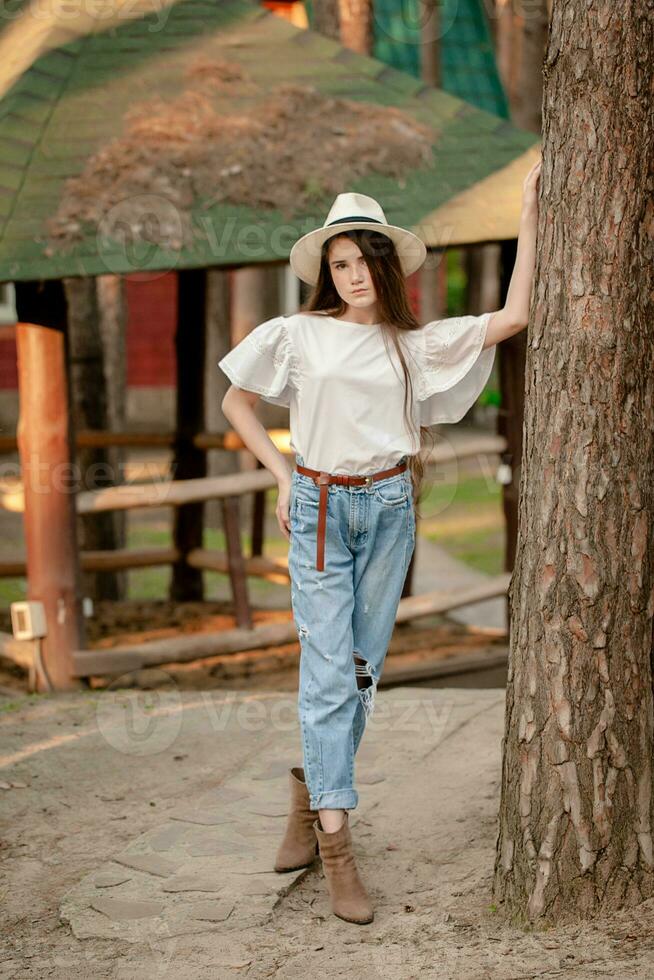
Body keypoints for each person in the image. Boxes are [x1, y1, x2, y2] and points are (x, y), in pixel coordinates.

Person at [218, 168, 540, 924]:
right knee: (329, 673)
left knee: (359, 673)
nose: (354, 275)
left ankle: (309, 791)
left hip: (391, 508)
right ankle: (339, 849)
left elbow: (515, 314)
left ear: (386, 267)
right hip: (321, 508)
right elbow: (234, 398)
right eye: (341, 264)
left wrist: (530, 210)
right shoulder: (297, 336)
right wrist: (283, 474)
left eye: (365, 261)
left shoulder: (414, 346)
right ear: (327, 273)